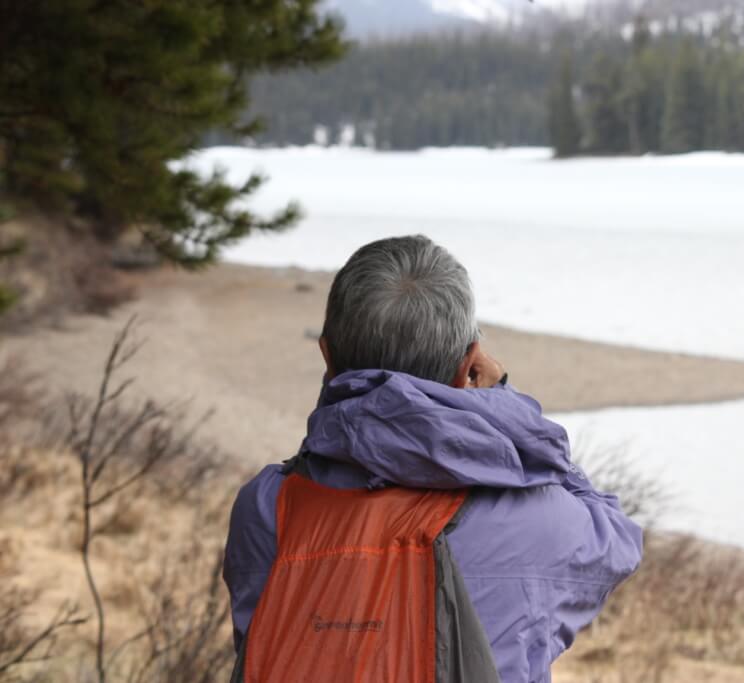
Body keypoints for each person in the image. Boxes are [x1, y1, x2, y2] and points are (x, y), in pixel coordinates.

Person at [223, 235, 643, 682]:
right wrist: (508, 406)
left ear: (326, 353)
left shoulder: (266, 507)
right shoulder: (541, 519)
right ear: (468, 365)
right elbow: (619, 541)